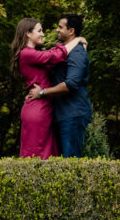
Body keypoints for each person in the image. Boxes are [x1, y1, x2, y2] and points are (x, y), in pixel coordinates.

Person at [10, 17, 86, 159]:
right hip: (38, 109)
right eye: (39, 30)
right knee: (37, 155)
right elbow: (54, 56)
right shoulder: (26, 53)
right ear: (27, 33)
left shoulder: (34, 54)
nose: (43, 34)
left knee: (47, 155)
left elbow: (50, 59)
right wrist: (76, 41)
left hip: (44, 106)